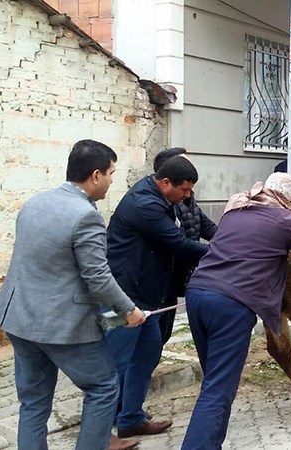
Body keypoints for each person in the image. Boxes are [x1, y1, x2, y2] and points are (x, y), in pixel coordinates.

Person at [0, 139, 147, 450]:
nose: (112, 182)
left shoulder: (35, 201)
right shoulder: (86, 216)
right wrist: (128, 310)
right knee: (102, 387)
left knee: (33, 403)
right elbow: (98, 278)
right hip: (62, 326)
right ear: (96, 175)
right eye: (112, 174)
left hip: (19, 319)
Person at [180, 173, 291, 450]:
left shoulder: (236, 206)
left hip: (197, 295)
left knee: (214, 382)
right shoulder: (286, 219)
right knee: (219, 390)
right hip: (232, 305)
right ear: (288, 200)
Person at [105, 156, 209, 439]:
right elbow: (177, 243)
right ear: (165, 183)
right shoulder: (146, 205)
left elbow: (199, 227)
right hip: (123, 295)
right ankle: (101, 434)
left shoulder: (162, 199)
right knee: (115, 365)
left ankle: (130, 419)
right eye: (184, 190)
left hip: (147, 297)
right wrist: (222, 254)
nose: (188, 196)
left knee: (147, 355)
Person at [151, 148, 217, 346]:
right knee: (154, 335)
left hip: (180, 274)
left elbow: (204, 224)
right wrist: (219, 253)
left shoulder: (186, 195)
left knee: (163, 333)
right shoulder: (164, 202)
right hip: (163, 277)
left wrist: (231, 238)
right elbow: (179, 244)